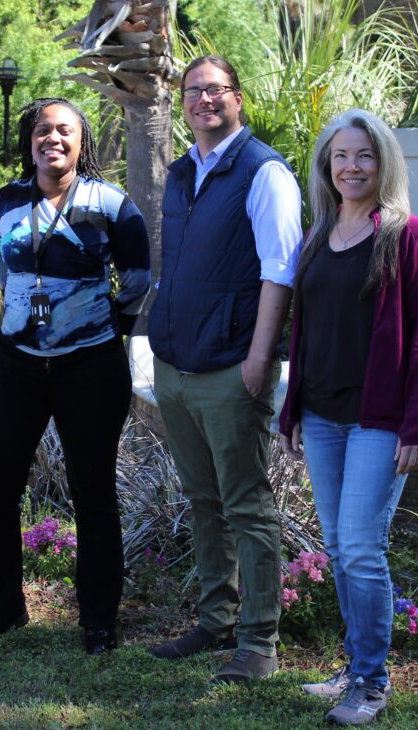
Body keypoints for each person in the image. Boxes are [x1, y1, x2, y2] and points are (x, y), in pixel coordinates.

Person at [278, 109, 418, 726]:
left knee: (360, 547)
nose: (352, 166)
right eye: (341, 156)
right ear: (328, 164)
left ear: (384, 163)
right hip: (321, 415)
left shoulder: (410, 237)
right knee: (342, 549)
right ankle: (353, 667)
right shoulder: (318, 234)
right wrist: (293, 407)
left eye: (365, 156)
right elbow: (304, 329)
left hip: (378, 419)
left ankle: (371, 684)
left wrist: (417, 425)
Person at [147, 56, 302, 684]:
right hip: (177, 366)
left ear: (238, 98)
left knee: (246, 504)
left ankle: (258, 643)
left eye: (216, 90)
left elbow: (280, 270)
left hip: (232, 368)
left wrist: (259, 359)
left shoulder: (264, 172)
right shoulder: (183, 172)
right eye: (193, 91)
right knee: (202, 498)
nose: (203, 100)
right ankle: (215, 620)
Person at [0, 98, 151, 654]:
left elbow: (140, 275)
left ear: (82, 142)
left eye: (65, 131)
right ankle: (3, 608)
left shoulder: (111, 202)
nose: (53, 138)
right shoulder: (4, 201)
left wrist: (106, 325)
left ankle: (98, 619)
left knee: (93, 491)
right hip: (15, 363)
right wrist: (28, 309)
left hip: (91, 365)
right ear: (30, 140)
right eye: (43, 130)